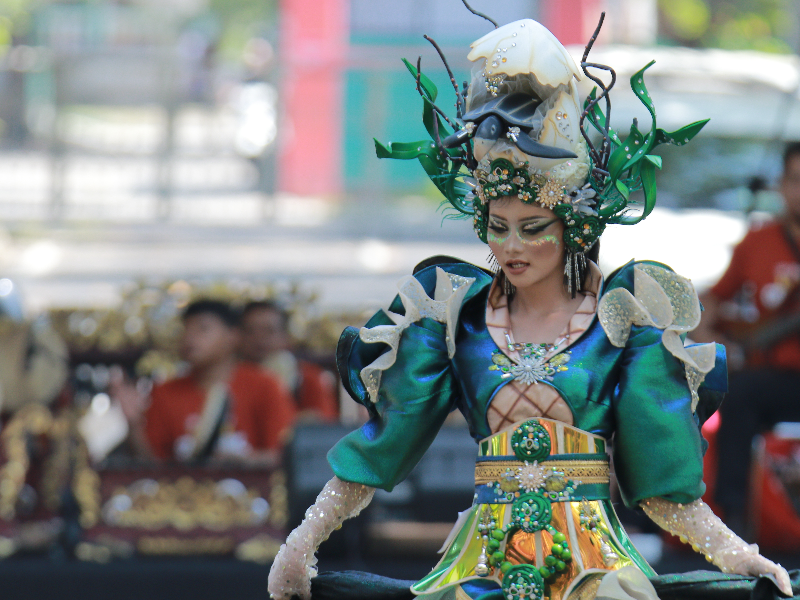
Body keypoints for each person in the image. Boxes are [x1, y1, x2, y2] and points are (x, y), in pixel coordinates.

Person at [268, 14, 794, 600]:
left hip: (598, 576)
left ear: (572, 228)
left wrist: (742, 556)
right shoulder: (453, 317)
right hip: (478, 570)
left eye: (532, 227)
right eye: (498, 228)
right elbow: (381, 449)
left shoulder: (626, 321)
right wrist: (301, 542)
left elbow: (663, 490)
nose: (511, 247)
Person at [695, 141, 800, 533]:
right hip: (769, 378)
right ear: (781, 185)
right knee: (736, 395)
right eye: (795, 180)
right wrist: (704, 325)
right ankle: (730, 520)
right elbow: (711, 300)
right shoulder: (758, 240)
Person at [118, 299, 296, 464]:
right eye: (185, 329)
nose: (190, 338)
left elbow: (285, 457)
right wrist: (133, 426)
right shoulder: (164, 391)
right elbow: (152, 465)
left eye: (202, 329)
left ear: (233, 336)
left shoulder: (265, 386)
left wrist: (243, 461)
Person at [239, 300, 339, 421]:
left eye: (269, 331)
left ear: (285, 336)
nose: (259, 338)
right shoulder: (227, 378)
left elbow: (323, 425)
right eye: (250, 331)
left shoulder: (308, 378)